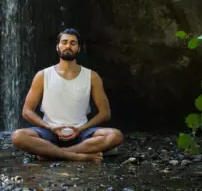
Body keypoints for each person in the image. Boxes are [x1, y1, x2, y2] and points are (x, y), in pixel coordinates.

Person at [11, 28, 124, 162]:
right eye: (64, 42)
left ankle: (52, 153)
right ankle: (78, 156)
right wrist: (50, 127)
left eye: (73, 43)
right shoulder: (43, 75)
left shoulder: (92, 76)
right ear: (57, 46)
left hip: (81, 132)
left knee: (115, 135)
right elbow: (27, 111)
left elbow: (105, 113)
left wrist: (81, 128)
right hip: (49, 132)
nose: (68, 46)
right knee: (18, 136)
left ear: (79, 48)